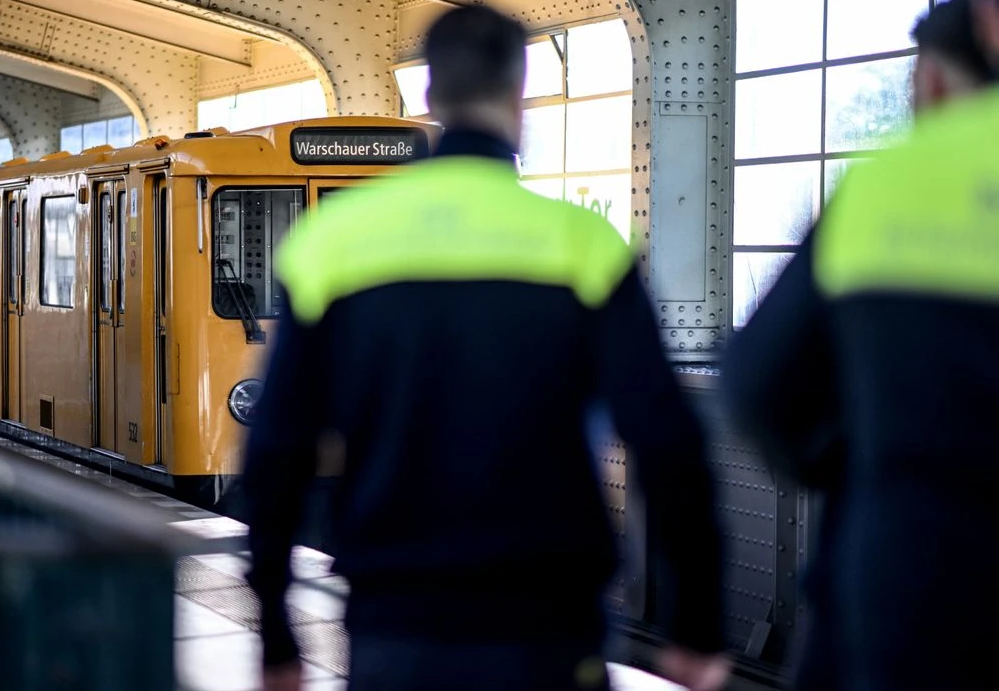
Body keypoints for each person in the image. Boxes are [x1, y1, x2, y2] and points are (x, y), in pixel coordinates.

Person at [239, 6, 730, 691]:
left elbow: (276, 451)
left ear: (432, 98)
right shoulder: (583, 247)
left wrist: (274, 630)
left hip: (395, 628)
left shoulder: (331, 246)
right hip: (549, 630)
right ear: (517, 95)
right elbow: (668, 443)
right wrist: (698, 622)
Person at [721, 2, 999, 689]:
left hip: (910, 574)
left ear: (931, 84)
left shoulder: (888, 185)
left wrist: (854, 464)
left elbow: (755, 387)